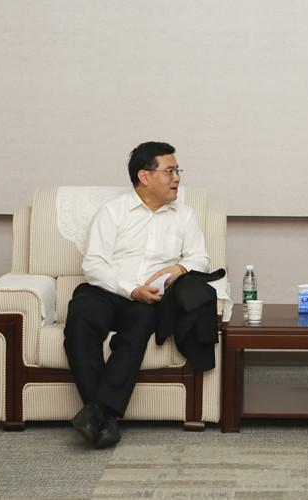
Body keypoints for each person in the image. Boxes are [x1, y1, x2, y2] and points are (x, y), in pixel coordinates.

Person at [64, 141, 210, 449]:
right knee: (80, 322)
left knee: (139, 327)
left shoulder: (184, 215)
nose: (177, 178)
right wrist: (130, 289)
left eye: (178, 171)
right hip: (105, 289)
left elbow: (201, 259)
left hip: (150, 297)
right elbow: (93, 265)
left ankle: (96, 415)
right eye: (170, 171)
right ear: (144, 176)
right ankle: (103, 415)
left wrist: (179, 268)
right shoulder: (113, 212)